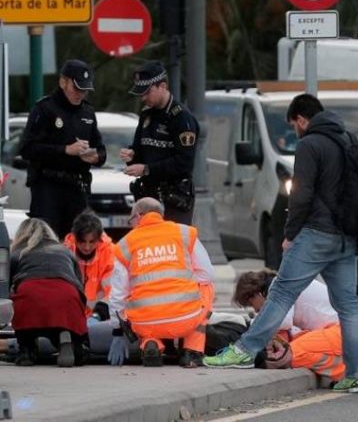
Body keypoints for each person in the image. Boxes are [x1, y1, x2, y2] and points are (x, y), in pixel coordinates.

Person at [203, 94, 358, 394]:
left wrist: (290, 234)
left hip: (316, 232)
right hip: (347, 236)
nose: (296, 131)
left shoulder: (310, 144)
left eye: (294, 126)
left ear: (301, 119)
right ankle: (355, 373)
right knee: (348, 305)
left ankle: (244, 350)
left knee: (280, 293)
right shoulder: (349, 140)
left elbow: (301, 194)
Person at [108, 197, 214, 368]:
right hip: (186, 319)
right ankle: (192, 351)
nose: (131, 225)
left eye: (131, 220)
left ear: (138, 216)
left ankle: (151, 343)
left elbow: (118, 295)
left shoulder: (124, 245)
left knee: (135, 295)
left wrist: (117, 331)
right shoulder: (184, 233)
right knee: (207, 287)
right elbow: (207, 274)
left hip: (144, 324)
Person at [19, 59, 106, 238]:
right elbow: (27, 148)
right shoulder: (44, 109)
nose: (80, 94)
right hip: (48, 187)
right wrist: (65, 150)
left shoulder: (88, 112)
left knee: (79, 240)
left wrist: (96, 156)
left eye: (85, 90)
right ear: (63, 82)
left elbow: (100, 149)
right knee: (47, 240)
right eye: (77, 88)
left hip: (77, 188)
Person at [119, 61, 199, 225]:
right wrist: (132, 156)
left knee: (172, 239)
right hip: (149, 197)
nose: (143, 98)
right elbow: (140, 151)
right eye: (141, 94)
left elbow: (184, 162)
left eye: (147, 92)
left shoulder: (181, 118)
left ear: (162, 86)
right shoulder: (146, 115)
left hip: (174, 198)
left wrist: (147, 169)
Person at [9, 218, 88, 367]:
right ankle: (66, 339)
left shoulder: (17, 253)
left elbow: (6, 287)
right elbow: (79, 283)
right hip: (66, 294)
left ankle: (26, 352)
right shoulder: (65, 251)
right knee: (73, 345)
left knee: (26, 322)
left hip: (30, 295)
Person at [62, 210, 115, 319]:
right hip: (71, 315)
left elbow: (115, 291)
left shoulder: (111, 254)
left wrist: (100, 313)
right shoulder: (64, 253)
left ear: (99, 239)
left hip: (100, 316)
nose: (87, 247)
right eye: (82, 242)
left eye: (92, 242)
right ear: (75, 238)